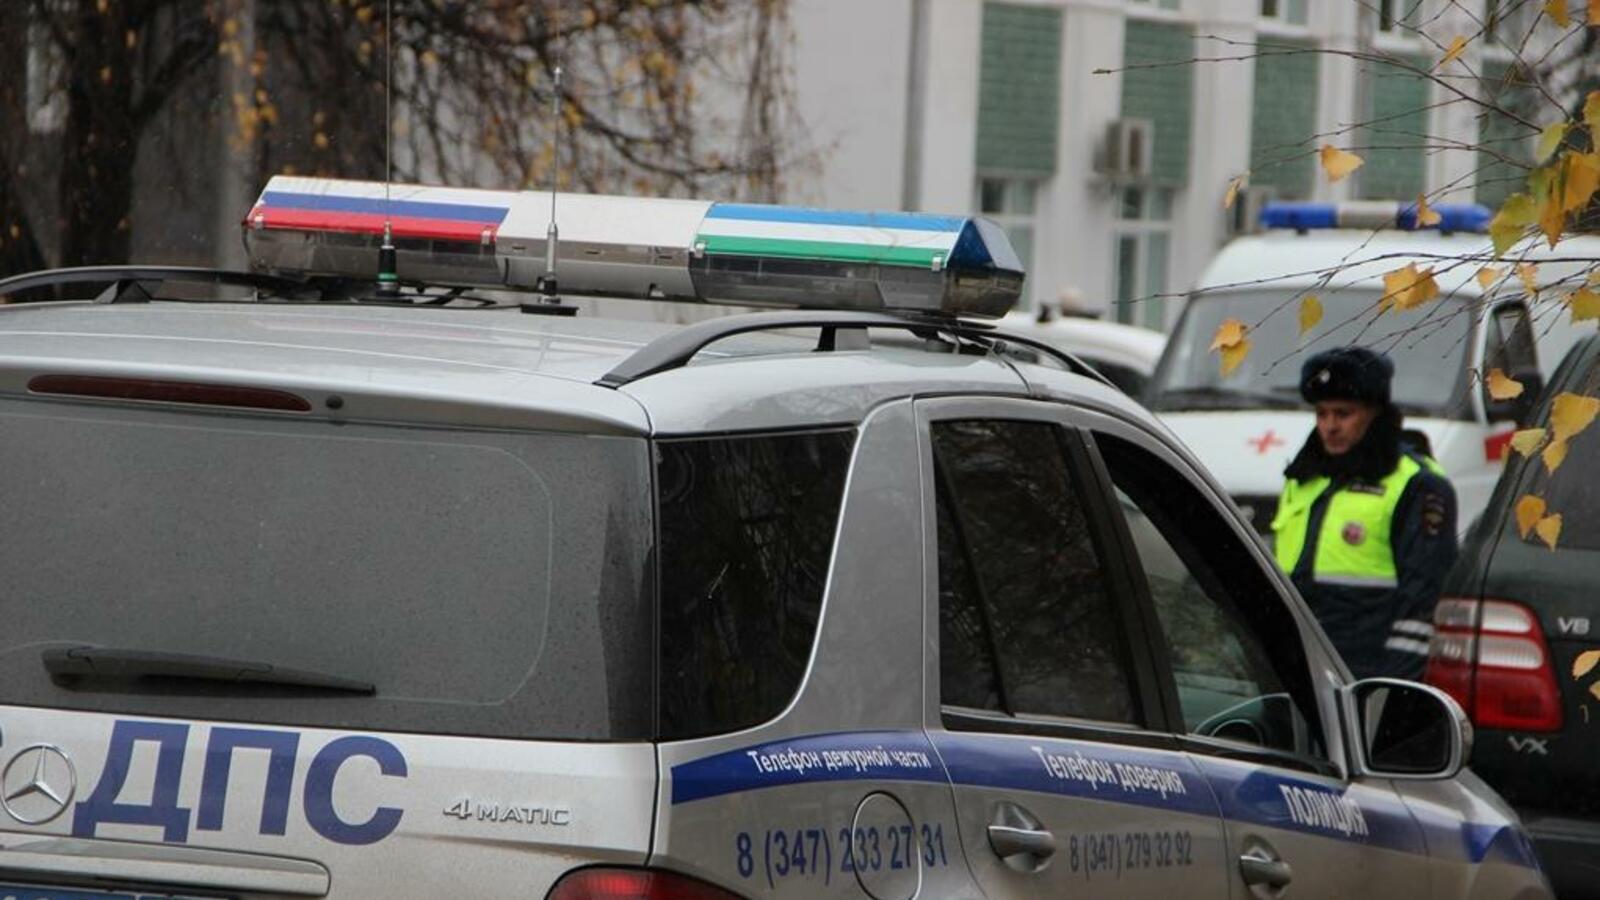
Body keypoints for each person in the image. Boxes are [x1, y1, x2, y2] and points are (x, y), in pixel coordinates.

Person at [1271, 346, 1457, 680]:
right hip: (1297, 660)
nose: (1330, 426)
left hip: (1365, 670)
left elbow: (1422, 596)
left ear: (1374, 413)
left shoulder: (1417, 483)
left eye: (1343, 414)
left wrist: (1394, 688)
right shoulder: (1304, 478)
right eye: (1321, 414)